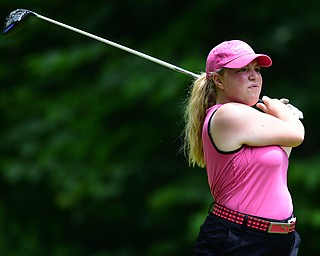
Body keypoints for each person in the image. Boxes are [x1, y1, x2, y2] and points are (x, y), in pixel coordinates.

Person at [182, 39, 305, 255]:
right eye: (242, 69)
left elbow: (284, 149)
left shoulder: (249, 122)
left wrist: (285, 117)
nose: (253, 76)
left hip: (281, 241)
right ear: (219, 80)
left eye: (256, 69)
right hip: (239, 239)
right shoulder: (226, 114)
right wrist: (283, 112)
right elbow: (296, 135)